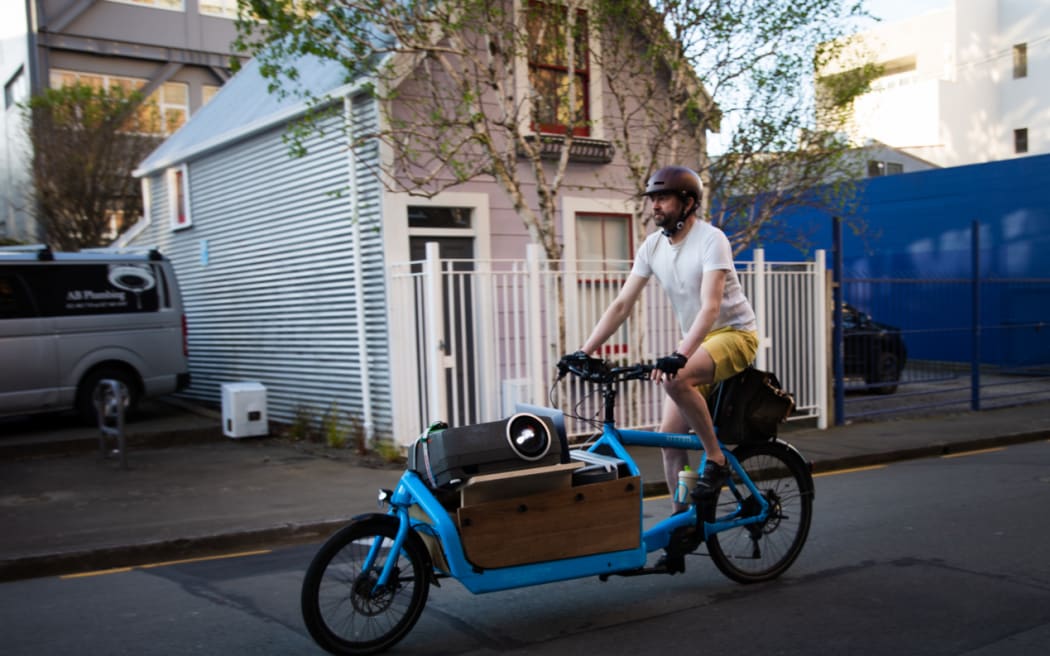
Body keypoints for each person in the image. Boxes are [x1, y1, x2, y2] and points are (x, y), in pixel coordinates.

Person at [567, 165, 758, 514]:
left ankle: (715, 459)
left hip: (734, 334)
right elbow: (622, 303)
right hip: (698, 344)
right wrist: (584, 350)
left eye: (663, 198)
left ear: (687, 202)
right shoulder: (653, 246)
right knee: (669, 440)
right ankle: (682, 516)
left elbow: (710, 308)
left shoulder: (711, 239)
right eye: (652, 198)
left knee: (675, 378)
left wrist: (680, 355)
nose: (655, 205)